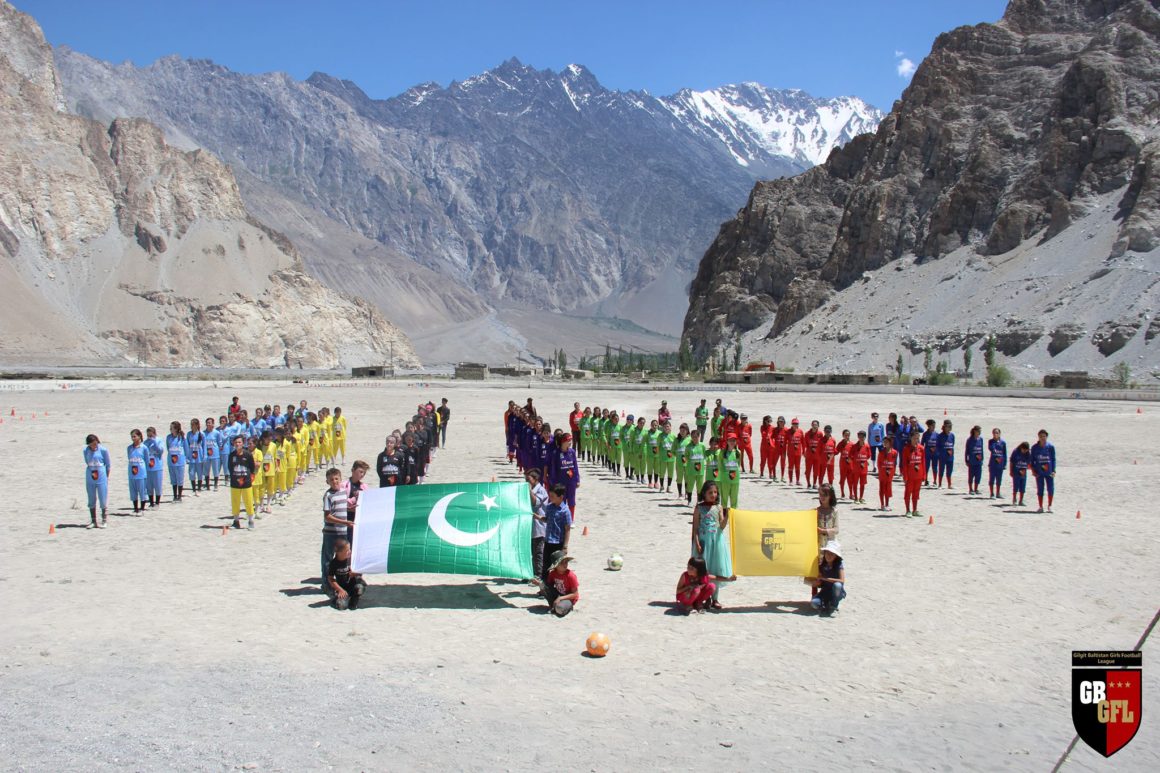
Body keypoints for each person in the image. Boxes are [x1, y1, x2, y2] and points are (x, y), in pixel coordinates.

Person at [690, 481, 733, 610]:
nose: (713, 495)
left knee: (716, 568)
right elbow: (695, 527)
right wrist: (697, 543)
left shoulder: (718, 507)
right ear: (704, 493)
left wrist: (727, 516)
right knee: (705, 569)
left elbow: (722, 526)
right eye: (710, 493)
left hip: (717, 542)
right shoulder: (699, 507)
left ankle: (715, 598)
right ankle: (705, 597)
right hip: (704, 543)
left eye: (715, 492)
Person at [321, 468, 352, 592]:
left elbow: (344, 508)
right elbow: (327, 516)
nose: (334, 481)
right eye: (331, 480)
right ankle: (326, 583)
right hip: (330, 533)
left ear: (340, 479)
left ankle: (340, 582)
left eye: (336, 479)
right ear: (327, 482)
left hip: (342, 532)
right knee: (327, 559)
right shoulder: (328, 496)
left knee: (343, 558)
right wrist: (344, 522)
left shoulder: (344, 493)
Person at [542, 484, 572, 583]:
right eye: (550, 496)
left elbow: (567, 529)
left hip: (558, 542)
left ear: (561, 497)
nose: (550, 498)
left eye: (552, 496)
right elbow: (547, 519)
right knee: (546, 565)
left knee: (557, 567)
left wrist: (565, 546)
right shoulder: (549, 507)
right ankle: (544, 588)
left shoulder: (565, 511)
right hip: (548, 541)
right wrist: (537, 517)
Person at [326, 539, 366, 611]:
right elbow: (331, 579)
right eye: (347, 550)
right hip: (342, 588)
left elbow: (360, 572)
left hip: (353, 585)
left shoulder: (351, 559)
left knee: (360, 586)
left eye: (350, 549)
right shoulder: (333, 563)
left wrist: (355, 573)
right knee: (342, 607)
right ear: (339, 552)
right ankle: (337, 599)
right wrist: (340, 590)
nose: (350, 551)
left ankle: (354, 599)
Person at [227, 435, 256, 530]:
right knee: (235, 502)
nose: (237, 444)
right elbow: (230, 467)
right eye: (236, 442)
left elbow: (252, 467)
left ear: (243, 443)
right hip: (235, 482)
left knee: (248, 501)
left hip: (246, 482)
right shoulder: (232, 455)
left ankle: (251, 521)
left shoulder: (248, 454)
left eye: (239, 442)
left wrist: (248, 477)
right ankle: (236, 521)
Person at [84, 434, 111, 529]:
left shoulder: (103, 450)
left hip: (101, 474)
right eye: (91, 444)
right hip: (90, 474)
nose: (94, 446)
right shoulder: (86, 450)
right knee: (91, 498)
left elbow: (108, 464)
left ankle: (104, 519)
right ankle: (93, 520)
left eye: (95, 443)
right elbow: (87, 461)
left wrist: (106, 476)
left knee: (102, 497)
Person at [526, 469, 549, 583]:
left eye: (529, 479)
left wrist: (529, 491)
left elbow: (535, 502)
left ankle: (538, 574)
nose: (526, 481)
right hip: (529, 527)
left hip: (539, 527)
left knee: (538, 553)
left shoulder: (541, 490)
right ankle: (529, 573)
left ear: (535, 479)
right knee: (529, 552)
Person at [811, 542, 846, 615]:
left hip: (836, 592)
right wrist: (818, 582)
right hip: (825, 591)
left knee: (838, 585)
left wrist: (825, 578)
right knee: (814, 603)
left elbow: (842, 580)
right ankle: (827, 605)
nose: (829, 556)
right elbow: (819, 582)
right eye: (827, 553)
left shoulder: (839, 565)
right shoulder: (822, 565)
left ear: (835, 556)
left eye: (831, 554)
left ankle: (834, 604)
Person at [543, 550, 579, 617]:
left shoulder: (571, 575)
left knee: (560, 609)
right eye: (561, 563)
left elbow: (575, 594)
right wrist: (539, 583)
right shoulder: (553, 573)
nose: (565, 564)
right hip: (559, 594)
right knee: (543, 587)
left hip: (569, 598)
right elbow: (548, 586)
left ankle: (567, 606)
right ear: (556, 565)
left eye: (566, 562)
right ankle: (553, 605)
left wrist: (560, 598)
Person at [1030, 429, 1056, 512]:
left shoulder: (1050, 447)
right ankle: (1040, 506)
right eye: (1041, 436)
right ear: (1038, 437)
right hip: (1039, 472)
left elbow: (1053, 459)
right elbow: (1032, 461)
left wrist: (1054, 470)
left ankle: (1050, 506)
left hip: (1049, 472)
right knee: (1040, 489)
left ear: (1046, 437)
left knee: (1050, 489)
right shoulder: (1034, 448)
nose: (1042, 438)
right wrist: (1033, 471)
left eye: (1044, 436)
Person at [903, 432, 925, 517]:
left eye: (918, 438)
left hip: (918, 475)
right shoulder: (906, 449)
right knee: (908, 493)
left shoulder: (921, 448)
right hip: (910, 476)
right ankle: (908, 510)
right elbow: (904, 464)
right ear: (911, 438)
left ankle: (915, 510)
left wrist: (924, 475)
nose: (916, 440)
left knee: (916, 493)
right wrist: (905, 476)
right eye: (915, 438)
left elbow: (923, 462)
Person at [126, 429, 149, 515]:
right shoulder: (129, 448)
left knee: (142, 491)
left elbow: (147, 460)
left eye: (135, 436)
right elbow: (129, 458)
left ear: (139, 436)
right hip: (132, 472)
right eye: (132, 437)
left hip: (141, 473)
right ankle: (135, 508)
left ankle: (142, 509)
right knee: (133, 491)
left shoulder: (144, 448)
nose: (133, 438)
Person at [719, 434, 742, 509]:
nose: (732, 442)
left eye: (734, 440)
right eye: (730, 440)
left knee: (734, 499)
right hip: (725, 479)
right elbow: (720, 466)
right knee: (724, 499)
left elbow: (738, 465)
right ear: (727, 441)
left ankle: (733, 517)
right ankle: (724, 517)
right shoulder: (722, 452)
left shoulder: (738, 452)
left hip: (735, 479)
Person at [165, 421, 187, 502]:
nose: (170, 429)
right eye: (170, 427)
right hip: (171, 461)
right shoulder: (168, 437)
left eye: (172, 428)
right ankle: (174, 495)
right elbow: (168, 448)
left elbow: (186, 448)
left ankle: (179, 496)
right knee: (173, 479)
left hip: (180, 461)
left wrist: (187, 458)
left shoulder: (182, 437)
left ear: (176, 429)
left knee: (180, 479)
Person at [143, 426, 165, 508]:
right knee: (149, 485)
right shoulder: (145, 443)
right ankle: (151, 502)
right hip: (148, 467)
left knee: (157, 485)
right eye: (148, 435)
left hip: (157, 466)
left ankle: (157, 502)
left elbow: (161, 451)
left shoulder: (159, 440)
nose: (149, 437)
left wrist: (154, 442)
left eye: (151, 435)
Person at [684, 429, 707, 505]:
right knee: (690, 486)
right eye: (693, 437)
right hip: (691, 470)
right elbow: (686, 456)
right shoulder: (688, 447)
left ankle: (699, 501)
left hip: (700, 470)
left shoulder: (702, 446)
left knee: (700, 487)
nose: (695, 438)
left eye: (696, 437)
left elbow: (704, 455)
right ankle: (689, 500)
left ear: (699, 437)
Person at [849, 430, 871, 504]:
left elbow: (868, 455)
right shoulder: (854, 446)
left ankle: (861, 497)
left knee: (862, 483)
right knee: (855, 483)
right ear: (858, 437)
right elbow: (850, 455)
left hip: (864, 469)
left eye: (862, 437)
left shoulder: (867, 446)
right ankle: (856, 498)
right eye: (860, 436)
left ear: (865, 437)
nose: (861, 438)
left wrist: (863, 460)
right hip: (856, 468)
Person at [816, 483, 838, 552]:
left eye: (825, 495)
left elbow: (836, 530)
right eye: (820, 495)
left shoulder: (834, 511)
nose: (822, 497)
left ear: (830, 496)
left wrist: (823, 531)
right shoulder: (815, 511)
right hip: (817, 546)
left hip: (830, 546)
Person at [877, 437, 898, 510]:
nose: (885, 443)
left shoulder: (894, 452)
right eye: (884, 442)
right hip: (882, 473)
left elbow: (894, 463)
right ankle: (882, 504)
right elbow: (879, 463)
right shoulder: (881, 452)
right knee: (882, 489)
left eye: (886, 442)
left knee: (888, 489)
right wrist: (881, 472)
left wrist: (892, 472)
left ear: (890, 443)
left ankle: (887, 504)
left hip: (890, 474)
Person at [186, 418, 206, 495]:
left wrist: (205, 456)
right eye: (191, 425)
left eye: (193, 424)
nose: (192, 426)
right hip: (191, 455)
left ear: (197, 425)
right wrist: (187, 457)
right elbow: (187, 445)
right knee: (191, 472)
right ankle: (193, 488)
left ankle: (199, 488)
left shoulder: (201, 434)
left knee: (199, 472)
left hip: (199, 455)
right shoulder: (189, 434)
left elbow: (204, 446)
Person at [1009, 441, 1031, 507]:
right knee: (1015, 486)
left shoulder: (1028, 453)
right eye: (1023, 449)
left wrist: (1028, 468)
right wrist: (1011, 471)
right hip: (1016, 471)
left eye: (1026, 450)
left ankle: (1021, 501)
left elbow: (1029, 463)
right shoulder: (1015, 452)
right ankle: (1014, 499)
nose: (1024, 451)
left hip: (1024, 471)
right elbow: (1011, 462)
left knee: (1023, 486)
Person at [987, 428, 1007, 499]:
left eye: (997, 433)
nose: (995, 434)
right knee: (992, 479)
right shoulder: (991, 441)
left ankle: (998, 493)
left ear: (999, 434)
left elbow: (1004, 454)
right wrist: (995, 443)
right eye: (994, 433)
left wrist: (1004, 464)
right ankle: (992, 493)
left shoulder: (1003, 443)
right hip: (992, 463)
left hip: (1000, 464)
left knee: (999, 479)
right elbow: (991, 448)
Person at [203, 417, 222, 491]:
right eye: (207, 423)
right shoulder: (203, 433)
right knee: (206, 469)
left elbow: (219, 442)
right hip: (207, 454)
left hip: (215, 453)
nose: (208, 424)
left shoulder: (216, 433)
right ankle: (207, 485)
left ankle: (215, 484)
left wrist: (219, 452)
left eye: (209, 423)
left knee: (215, 469)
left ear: (213, 424)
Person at [965, 426, 985, 495]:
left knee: (978, 475)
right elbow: (967, 451)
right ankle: (970, 489)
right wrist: (966, 460)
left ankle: (976, 489)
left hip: (979, 461)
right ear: (974, 431)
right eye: (978, 431)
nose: (979, 432)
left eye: (980, 431)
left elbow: (982, 450)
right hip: (972, 461)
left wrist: (982, 459)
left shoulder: (981, 439)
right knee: (971, 475)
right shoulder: (969, 440)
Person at [938, 420, 956, 488]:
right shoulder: (940, 436)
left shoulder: (952, 435)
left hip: (950, 457)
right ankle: (939, 484)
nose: (949, 428)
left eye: (950, 426)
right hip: (942, 456)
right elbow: (938, 446)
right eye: (948, 426)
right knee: (941, 470)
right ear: (944, 427)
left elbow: (952, 444)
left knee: (949, 471)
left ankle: (949, 484)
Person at [786, 418, 804, 485]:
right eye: (794, 424)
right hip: (790, 452)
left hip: (798, 452)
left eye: (796, 424)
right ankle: (790, 481)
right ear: (792, 424)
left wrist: (804, 451)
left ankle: (797, 480)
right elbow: (785, 442)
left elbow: (803, 442)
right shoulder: (788, 431)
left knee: (798, 467)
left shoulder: (800, 431)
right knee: (790, 466)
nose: (795, 425)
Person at [922, 419, 940, 486]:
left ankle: (935, 481)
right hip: (927, 453)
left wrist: (936, 448)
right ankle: (926, 479)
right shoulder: (925, 434)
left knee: (934, 467)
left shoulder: (937, 434)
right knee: (926, 466)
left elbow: (939, 444)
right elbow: (922, 444)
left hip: (935, 453)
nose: (934, 427)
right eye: (932, 425)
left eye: (934, 426)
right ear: (929, 426)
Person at [804, 420, 822, 488]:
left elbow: (821, 444)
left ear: (818, 426)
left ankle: (814, 484)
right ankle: (808, 483)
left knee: (816, 470)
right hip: (809, 455)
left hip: (817, 456)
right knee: (808, 470)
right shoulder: (807, 433)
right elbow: (806, 444)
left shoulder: (820, 434)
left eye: (816, 425)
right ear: (811, 425)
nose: (815, 426)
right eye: (813, 425)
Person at [835, 429, 852, 499]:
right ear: (843, 435)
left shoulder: (852, 444)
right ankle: (842, 493)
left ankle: (851, 493)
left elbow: (855, 454)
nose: (847, 436)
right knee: (842, 479)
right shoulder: (841, 443)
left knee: (850, 480)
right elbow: (836, 451)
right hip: (843, 464)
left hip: (850, 464)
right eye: (845, 435)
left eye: (848, 435)